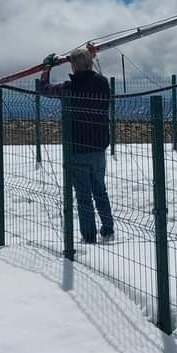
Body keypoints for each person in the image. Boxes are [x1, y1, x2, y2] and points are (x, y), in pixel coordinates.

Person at [38, 47, 114, 244]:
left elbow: (44, 88)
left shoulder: (69, 88)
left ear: (73, 66)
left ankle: (88, 235)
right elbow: (92, 74)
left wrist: (47, 69)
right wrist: (89, 58)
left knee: (83, 195)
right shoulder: (103, 83)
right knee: (100, 190)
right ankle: (108, 229)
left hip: (78, 147)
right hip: (99, 146)